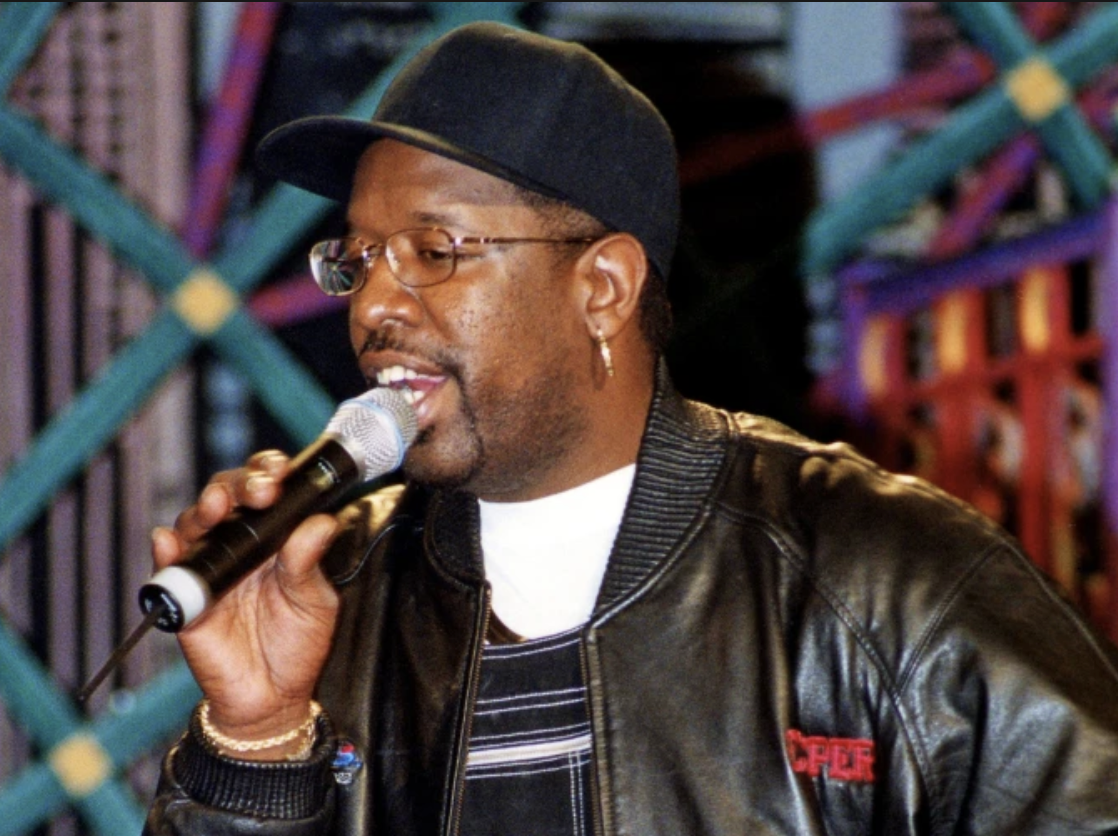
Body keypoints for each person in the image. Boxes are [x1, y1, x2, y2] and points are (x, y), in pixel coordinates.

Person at [144, 21, 1118, 836]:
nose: (372, 306)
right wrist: (255, 742)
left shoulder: (884, 580)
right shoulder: (330, 594)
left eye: (433, 251)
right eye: (356, 261)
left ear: (602, 287)